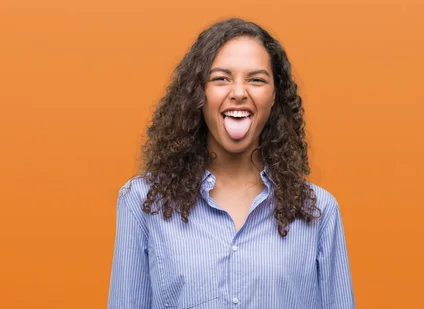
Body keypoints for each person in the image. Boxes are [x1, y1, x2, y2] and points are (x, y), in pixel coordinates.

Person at [107, 18, 355, 309]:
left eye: (257, 79)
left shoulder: (318, 211)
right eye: (221, 78)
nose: (239, 92)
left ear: (274, 96)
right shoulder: (143, 203)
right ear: (199, 93)